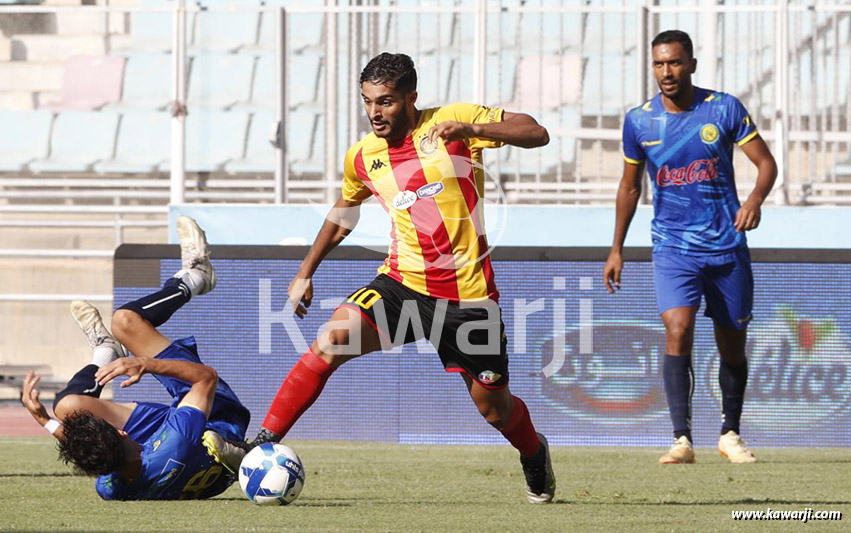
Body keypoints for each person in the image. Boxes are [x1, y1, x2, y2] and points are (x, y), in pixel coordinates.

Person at [206, 52, 555, 503]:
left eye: (386, 102)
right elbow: (343, 213)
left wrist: (474, 130)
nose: (375, 112)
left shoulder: (453, 122)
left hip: (468, 301)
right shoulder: (363, 156)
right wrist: (304, 272)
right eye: (369, 101)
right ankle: (259, 445)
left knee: (495, 410)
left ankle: (533, 452)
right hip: (401, 285)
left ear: (411, 97)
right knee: (329, 342)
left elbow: (536, 132)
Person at [603, 30, 777, 464]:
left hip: (726, 246)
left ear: (692, 64)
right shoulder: (639, 121)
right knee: (678, 329)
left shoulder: (723, 108)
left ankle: (730, 433)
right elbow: (629, 188)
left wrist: (754, 201)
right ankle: (681, 438)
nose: (667, 72)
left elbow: (766, 163)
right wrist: (616, 248)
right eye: (660, 64)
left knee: (732, 344)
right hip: (673, 246)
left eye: (675, 63)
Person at [21, 216, 250, 500]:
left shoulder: (111, 489)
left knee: (67, 408)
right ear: (121, 433)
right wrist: (143, 363)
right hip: (213, 418)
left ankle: (106, 350)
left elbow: (87, 452)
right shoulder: (176, 440)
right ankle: (196, 276)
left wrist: (46, 420)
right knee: (126, 321)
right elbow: (206, 378)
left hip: (174, 447)